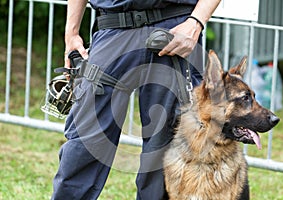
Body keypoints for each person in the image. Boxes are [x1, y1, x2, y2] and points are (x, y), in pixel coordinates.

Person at [51, 0, 221, 199]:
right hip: (112, 28)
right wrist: (71, 33)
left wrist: (196, 21)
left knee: (166, 151)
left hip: (175, 29)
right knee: (84, 142)